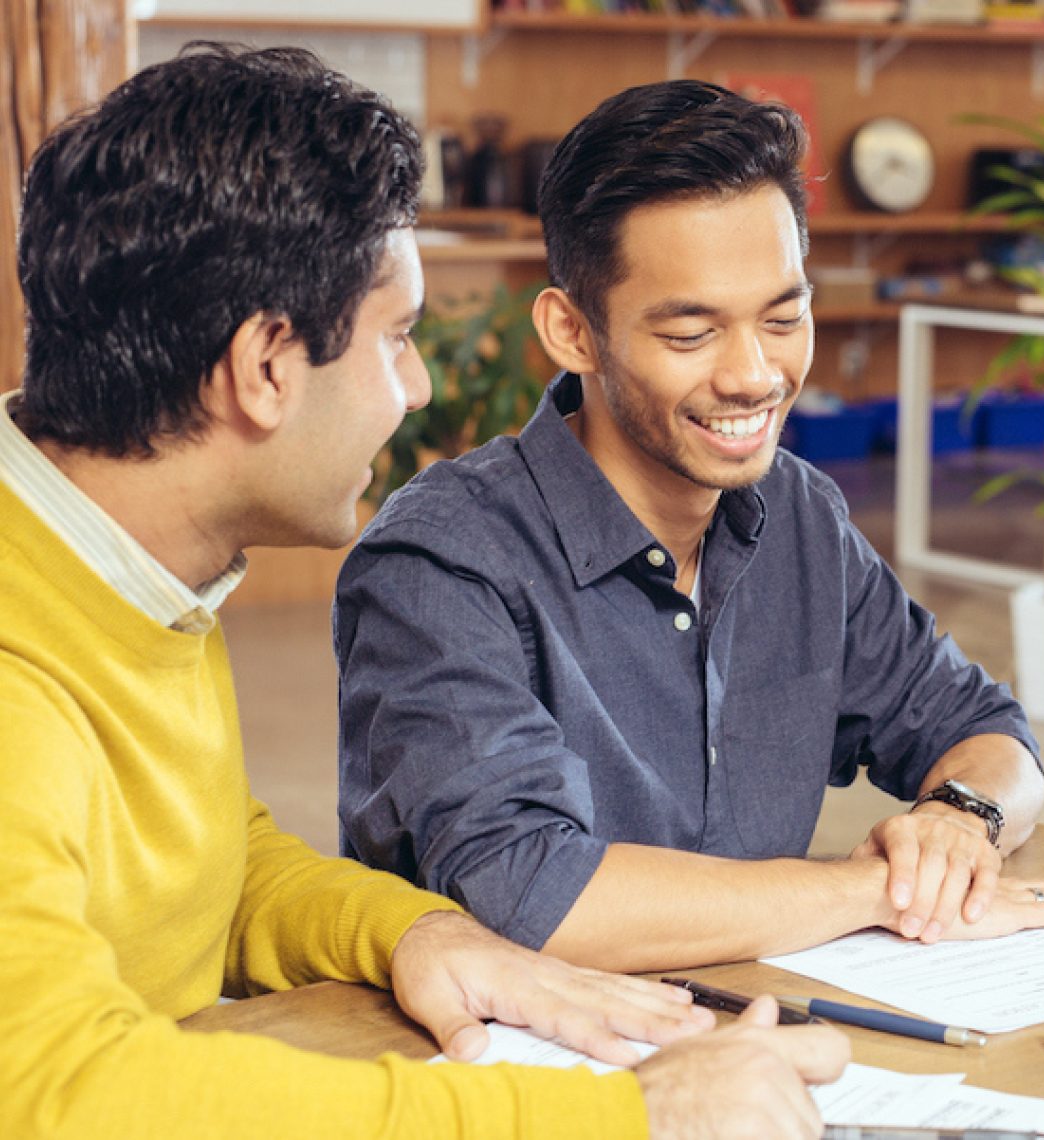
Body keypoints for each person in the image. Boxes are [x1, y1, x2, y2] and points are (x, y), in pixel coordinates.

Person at [0, 44, 853, 1139]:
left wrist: (416, 935)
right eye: (396, 338)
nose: (420, 387)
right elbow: (50, 1095)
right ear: (266, 366)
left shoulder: (117, 557)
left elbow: (203, 865)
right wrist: (617, 1119)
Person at [335, 79, 1044, 972]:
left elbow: (990, 731)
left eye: (784, 318)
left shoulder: (802, 515)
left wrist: (957, 822)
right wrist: (872, 890)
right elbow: (530, 892)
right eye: (692, 335)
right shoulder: (443, 561)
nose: (754, 375)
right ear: (573, 332)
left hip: (755, 1046)